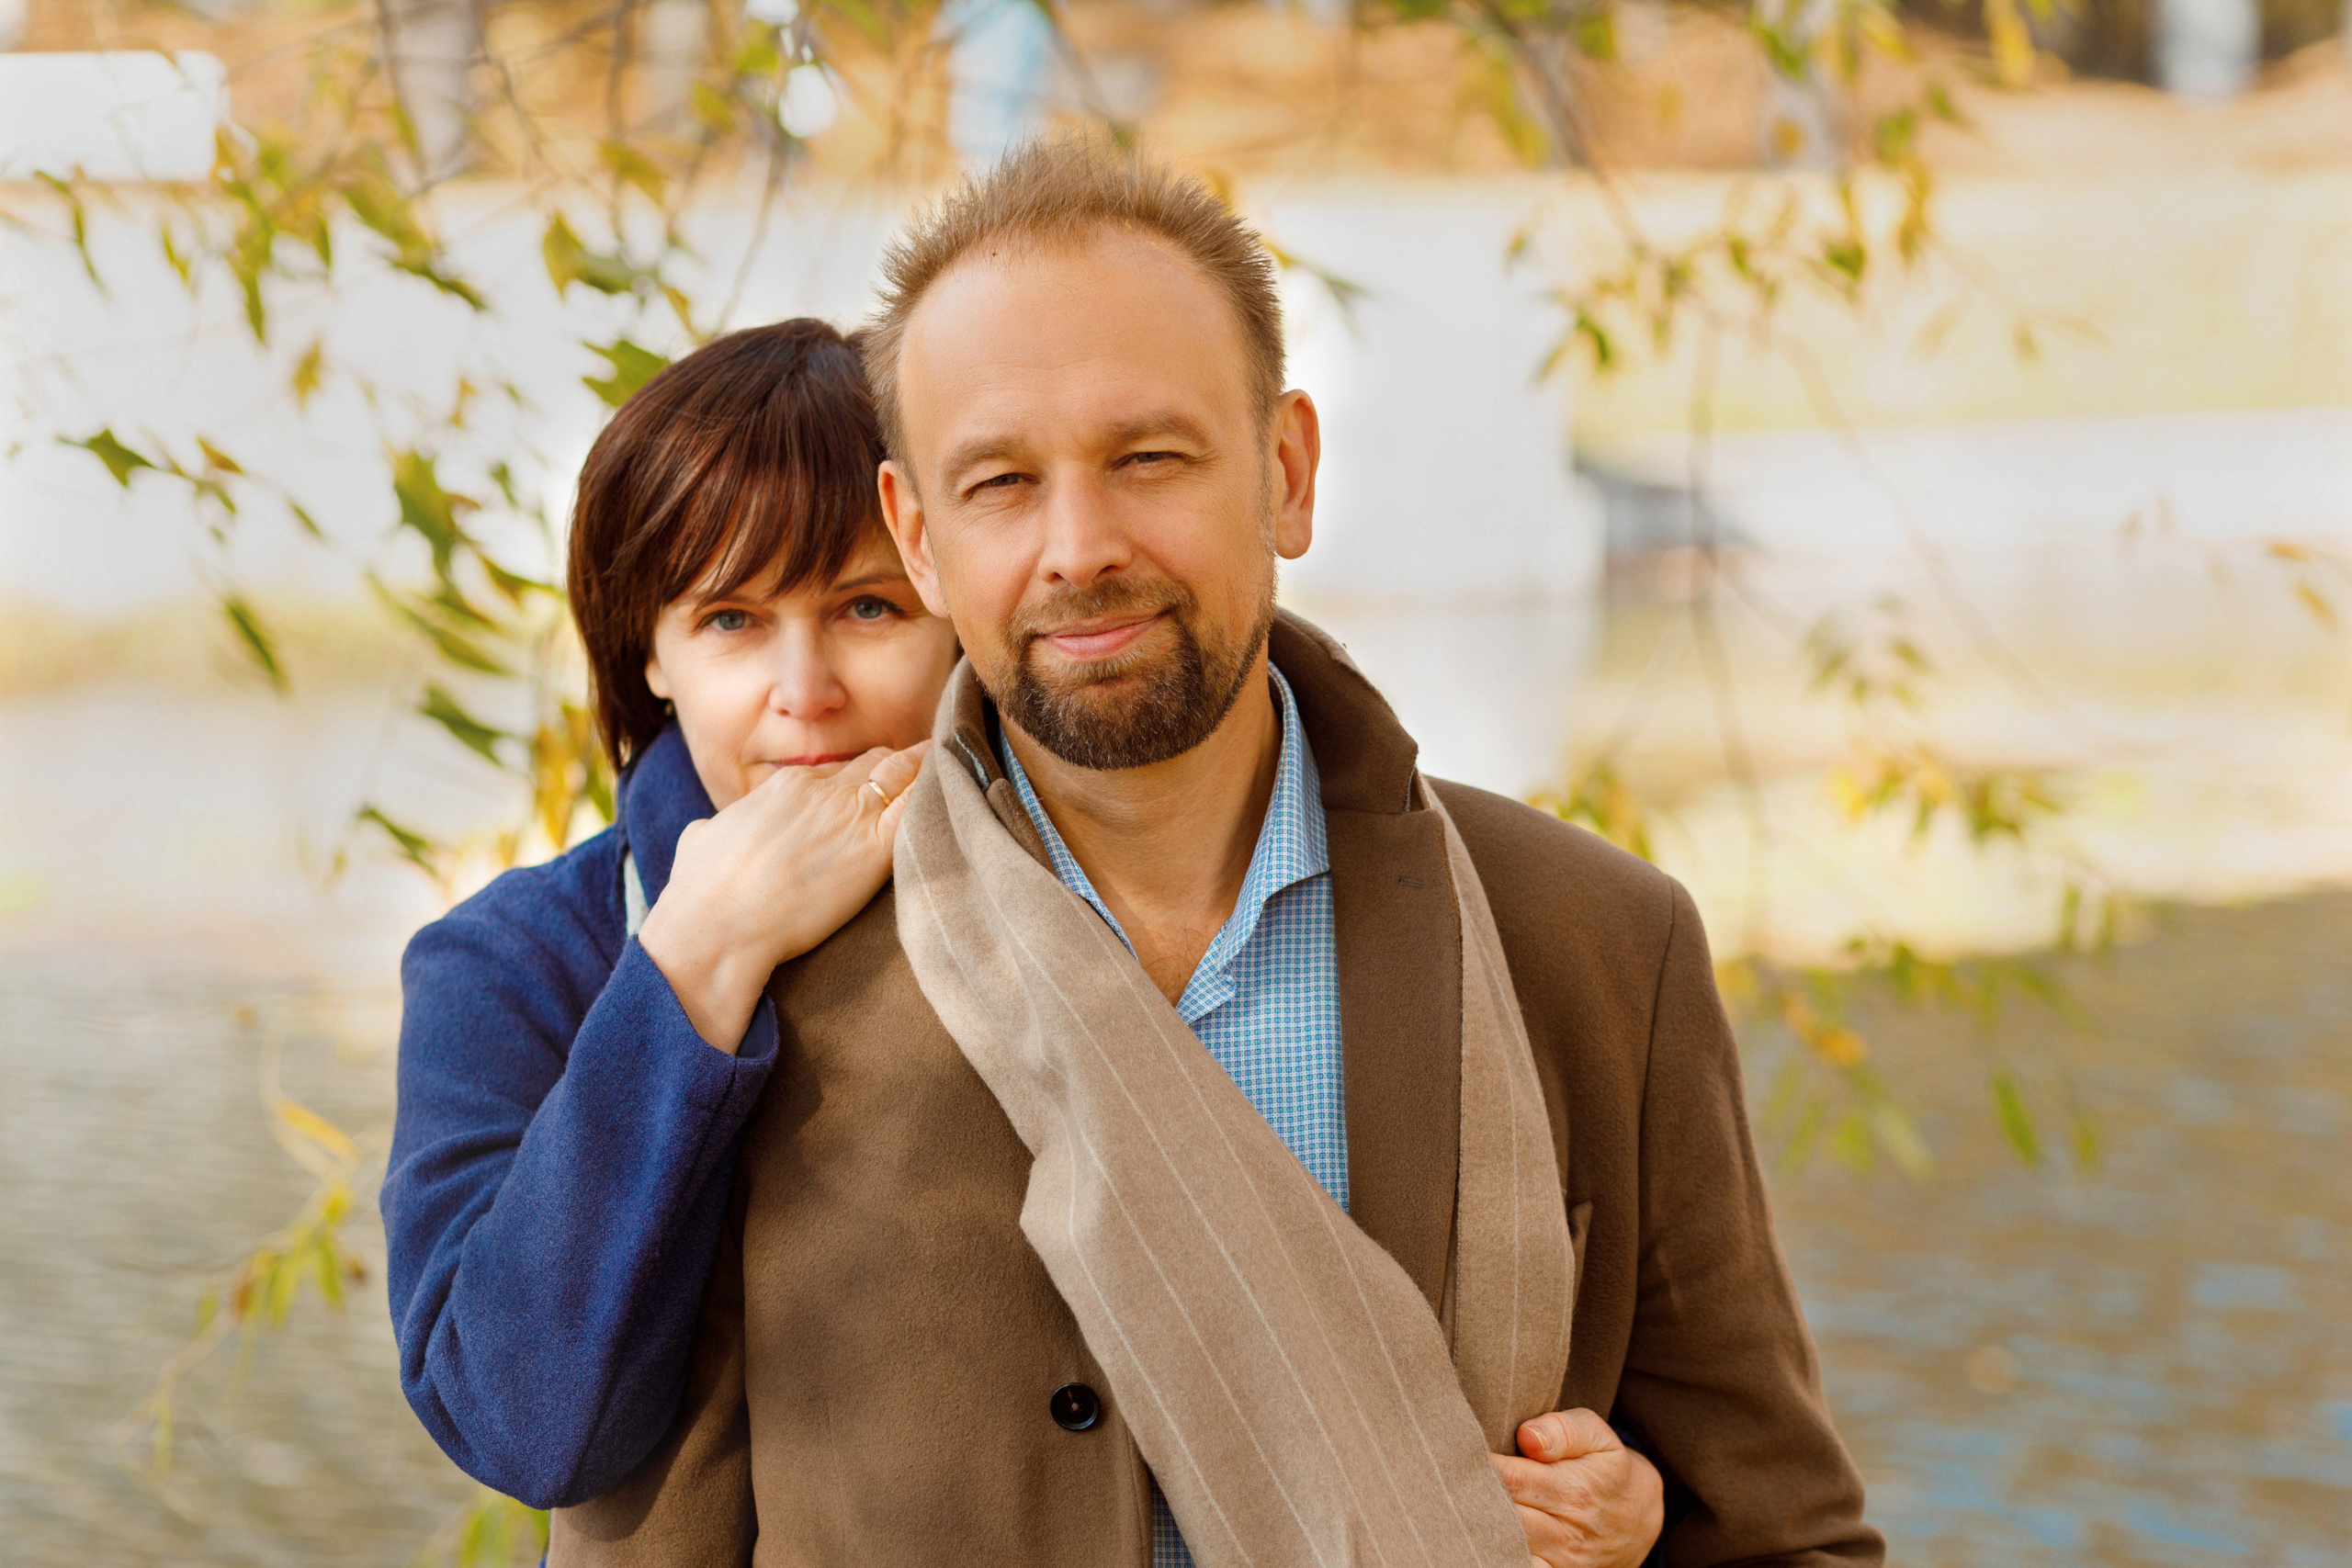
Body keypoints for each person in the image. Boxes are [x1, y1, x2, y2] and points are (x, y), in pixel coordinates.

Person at [552, 141, 1882, 1568]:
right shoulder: (758, 976)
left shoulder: (1589, 943)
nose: (1080, 547)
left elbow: (1779, 1540)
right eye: (1001, 481)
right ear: (918, 540)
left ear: (1286, 474)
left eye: (1149, 459)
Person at [379, 319, 960, 1506]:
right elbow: (522, 1428)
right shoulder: (512, 961)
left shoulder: (1069, 887)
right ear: (650, 649)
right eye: (731, 621)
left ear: (960, 610)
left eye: (868, 608)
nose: (805, 693)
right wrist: (700, 955)